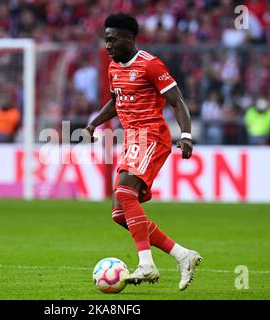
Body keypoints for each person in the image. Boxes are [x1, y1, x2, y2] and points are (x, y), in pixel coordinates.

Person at [83, 13, 202, 290]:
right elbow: (116, 102)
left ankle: (146, 265)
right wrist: (93, 124)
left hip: (152, 135)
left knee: (125, 194)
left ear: (128, 38)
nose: (108, 45)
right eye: (105, 39)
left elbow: (177, 101)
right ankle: (182, 255)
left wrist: (185, 136)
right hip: (132, 139)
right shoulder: (114, 68)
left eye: (112, 39)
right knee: (119, 213)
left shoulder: (150, 65)